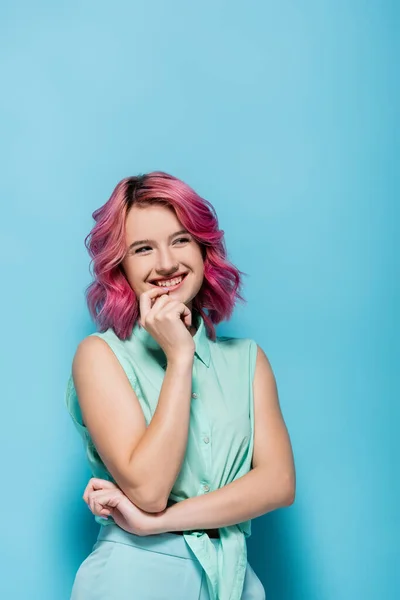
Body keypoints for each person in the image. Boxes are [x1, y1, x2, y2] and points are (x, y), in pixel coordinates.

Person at [65, 171, 296, 600]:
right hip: (134, 578)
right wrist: (180, 357)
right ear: (121, 265)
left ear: (204, 248)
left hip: (234, 579)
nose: (167, 263)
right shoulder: (99, 356)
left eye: (180, 240)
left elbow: (278, 483)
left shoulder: (247, 360)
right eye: (142, 249)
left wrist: (158, 522)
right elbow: (150, 490)